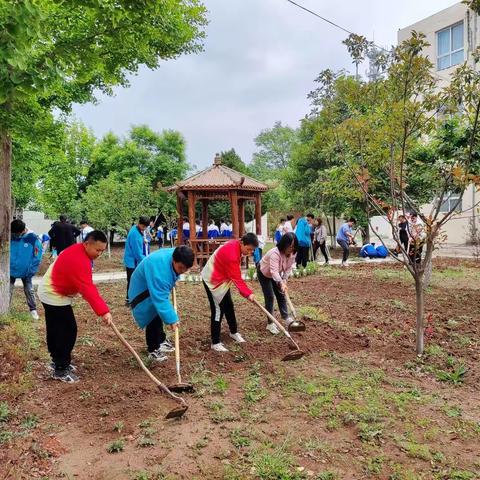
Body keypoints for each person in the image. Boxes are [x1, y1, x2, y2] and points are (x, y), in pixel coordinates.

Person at [38, 231, 112, 383]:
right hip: (53, 294)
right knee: (66, 331)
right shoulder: (78, 260)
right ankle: (60, 369)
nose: (99, 254)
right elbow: (88, 289)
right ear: (86, 244)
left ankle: (57, 362)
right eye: (97, 250)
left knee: (58, 329)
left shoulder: (80, 251)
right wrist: (104, 312)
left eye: (102, 250)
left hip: (55, 292)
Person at [129, 246, 194, 362]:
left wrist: (175, 277)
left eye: (186, 269)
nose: (183, 271)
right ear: (174, 260)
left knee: (158, 314)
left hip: (151, 285)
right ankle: (153, 349)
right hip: (142, 292)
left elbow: (173, 273)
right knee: (152, 316)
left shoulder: (177, 254)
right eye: (180, 268)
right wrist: (172, 319)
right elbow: (160, 299)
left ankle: (161, 340)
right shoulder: (161, 273)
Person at [201, 233, 258, 352]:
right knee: (218, 310)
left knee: (229, 306)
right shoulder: (232, 254)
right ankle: (215, 342)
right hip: (212, 280)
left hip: (222, 278)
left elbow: (235, 276)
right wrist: (249, 294)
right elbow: (237, 279)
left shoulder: (237, 245)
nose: (249, 253)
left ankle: (233, 332)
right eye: (248, 249)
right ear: (242, 243)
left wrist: (248, 293)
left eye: (251, 251)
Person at [257, 232, 298, 335]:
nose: (291, 249)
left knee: (281, 294)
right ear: (284, 244)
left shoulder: (293, 253)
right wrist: (280, 282)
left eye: (293, 246)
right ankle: (270, 323)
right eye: (290, 246)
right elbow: (273, 271)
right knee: (270, 296)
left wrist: (284, 281)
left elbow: (288, 268)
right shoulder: (275, 253)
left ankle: (286, 317)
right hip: (264, 273)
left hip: (277, 275)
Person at [9, 219, 43, 320]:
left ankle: (33, 310)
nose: (16, 235)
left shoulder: (32, 238)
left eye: (18, 233)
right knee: (8, 290)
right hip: (11, 269)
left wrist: (31, 270)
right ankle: (5, 308)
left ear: (23, 230)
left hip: (26, 271)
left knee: (29, 290)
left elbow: (37, 256)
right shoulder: (10, 235)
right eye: (14, 233)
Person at [124, 216, 150, 303]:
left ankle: (131, 298)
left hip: (131, 260)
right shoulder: (136, 235)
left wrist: (143, 241)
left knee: (133, 280)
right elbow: (138, 254)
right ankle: (129, 299)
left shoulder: (135, 229)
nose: (145, 229)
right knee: (132, 281)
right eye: (144, 227)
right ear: (140, 224)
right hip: (132, 262)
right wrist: (147, 260)